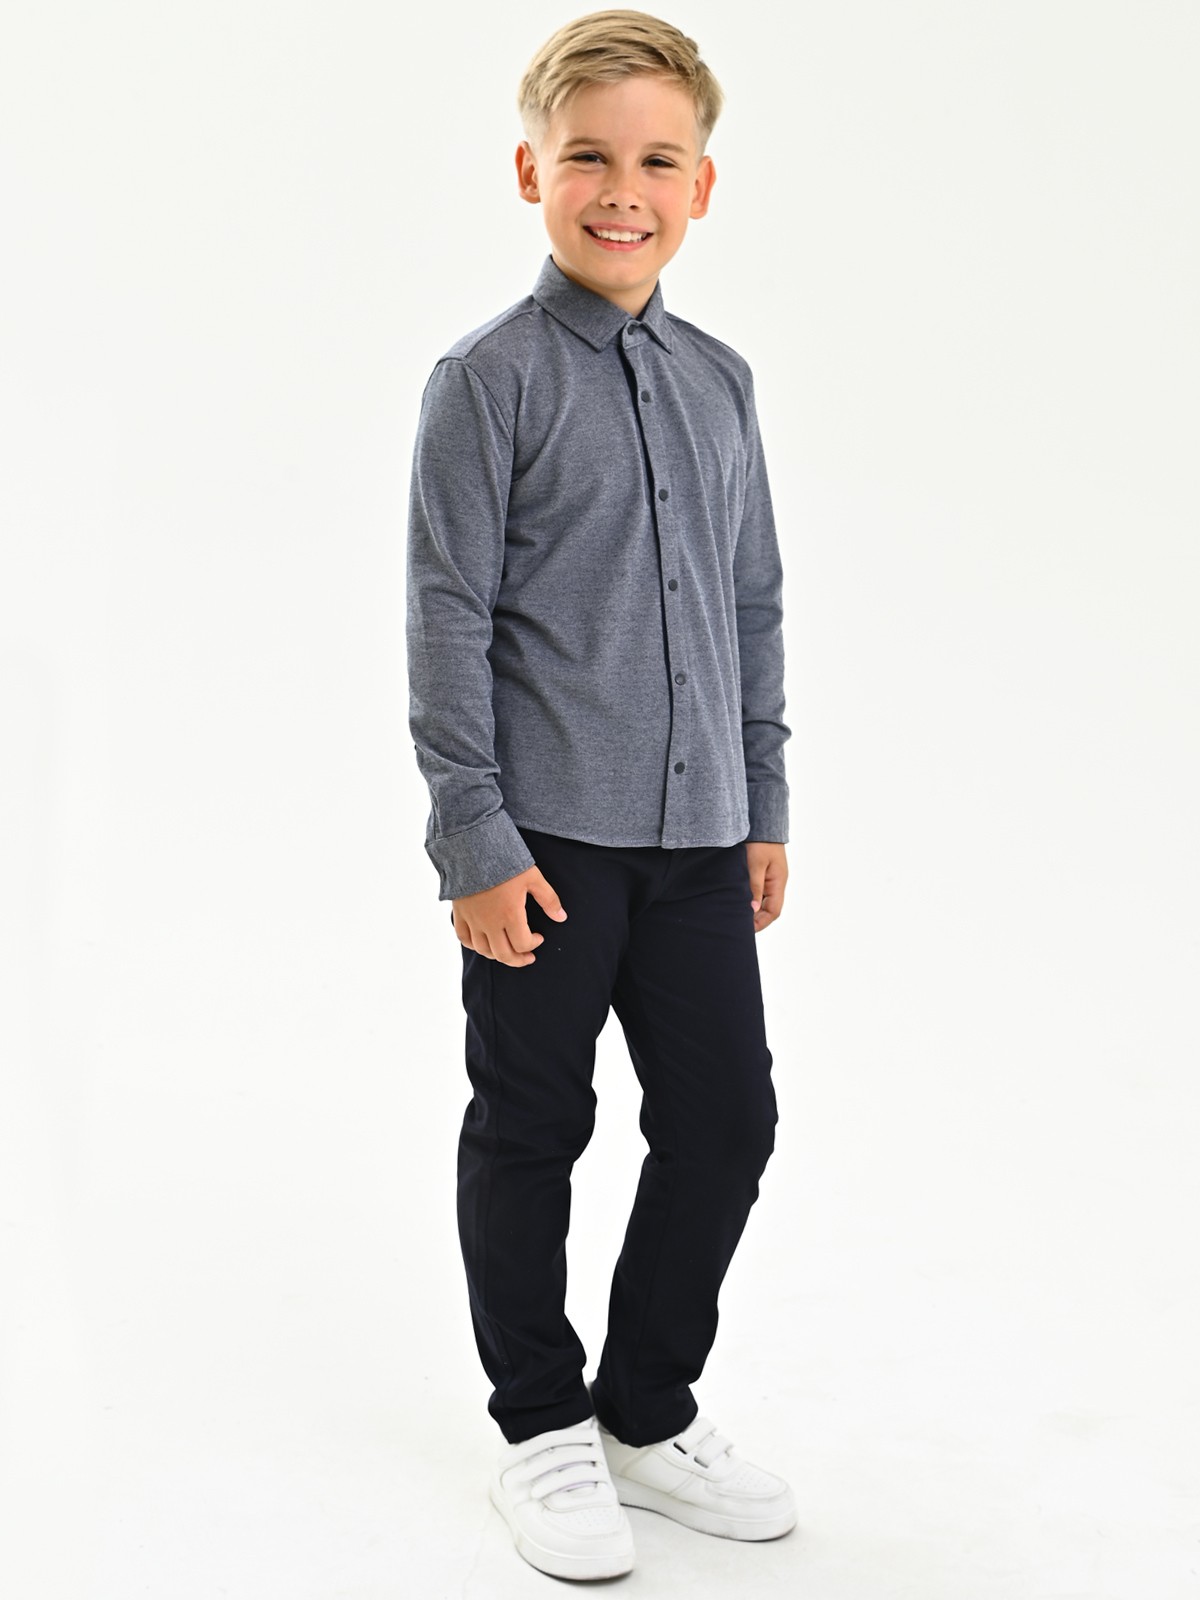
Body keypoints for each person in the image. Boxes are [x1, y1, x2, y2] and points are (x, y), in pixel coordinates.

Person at [406, 8, 796, 1581]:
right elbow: (445, 617)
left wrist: (763, 799)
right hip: (546, 843)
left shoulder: (721, 382)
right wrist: (473, 838)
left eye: (656, 161)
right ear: (532, 174)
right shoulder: (485, 381)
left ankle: (643, 1409)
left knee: (727, 1121)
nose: (621, 190)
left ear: (702, 185)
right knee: (533, 1124)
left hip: (699, 841)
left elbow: (749, 597)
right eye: (587, 158)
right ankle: (540, 1424)